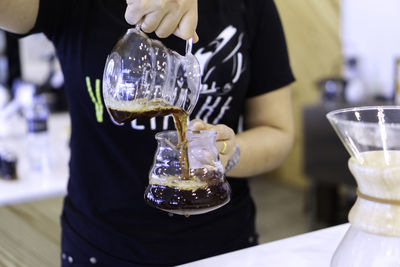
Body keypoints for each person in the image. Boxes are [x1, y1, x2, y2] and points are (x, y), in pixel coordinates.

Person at [0, 0, 295, 266]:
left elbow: (277, 131)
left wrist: (225, 154)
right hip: (104, 248)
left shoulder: (251, 6)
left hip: (225, 247)